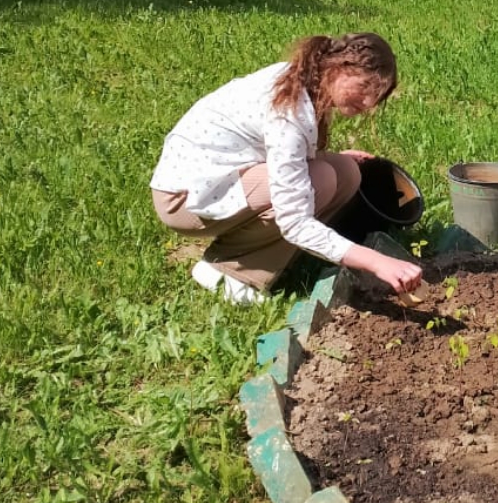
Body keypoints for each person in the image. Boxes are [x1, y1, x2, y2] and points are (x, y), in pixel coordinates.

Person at [150, 33, 423, 305]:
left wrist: (326, 156)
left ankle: (271, 257)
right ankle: (229, 271)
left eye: (375, 96)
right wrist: (376, 262)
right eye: (364, 87)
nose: (367, 103)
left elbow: (282, 150)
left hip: (219, 177)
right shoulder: (289, 111)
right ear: (341, 67)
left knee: (346, 171)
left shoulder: (308, 78)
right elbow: (293, 220)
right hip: (184, 199)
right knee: (321, 180)